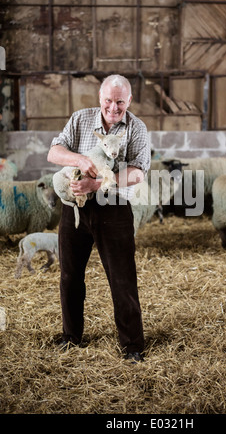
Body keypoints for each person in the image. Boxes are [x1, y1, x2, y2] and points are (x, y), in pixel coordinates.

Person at [47, 74, 151, 363]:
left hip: (113, 208)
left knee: (122, 278)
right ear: (100, 98)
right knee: (70, 275)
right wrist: (80, 161)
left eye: (120, 101)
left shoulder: (137, 128)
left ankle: (132, 346)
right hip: (76, 207)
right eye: (108, 100)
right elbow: (53, 152)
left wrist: (99, 183)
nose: (114, 107)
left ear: (129, 100)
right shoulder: (80, 119)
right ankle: (71, 337)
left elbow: (139, 171)